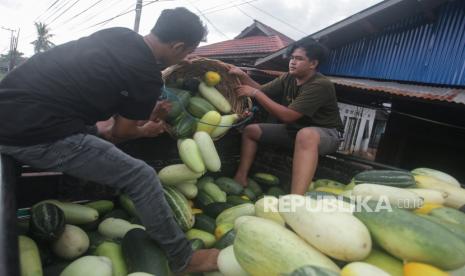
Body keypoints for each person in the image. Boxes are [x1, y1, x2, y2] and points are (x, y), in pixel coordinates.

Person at [0, 7, 219, 274]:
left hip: (13, 112)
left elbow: (104, 98)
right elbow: (122, 133)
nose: (186, 58)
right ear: (178, 45)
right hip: (32, 133)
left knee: (98, 136)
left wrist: (125, 124)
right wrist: (145, 131)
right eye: (186, 52)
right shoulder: (146, 74)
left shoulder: (119, 36)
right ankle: (183, 259)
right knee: (141, 176)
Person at [229, 40, 344, 195]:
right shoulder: (288, 78)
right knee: (250, 130)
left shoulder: (320, 85)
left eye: (299, 58)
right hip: (295, 131)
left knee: (306, 135)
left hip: (326, 135)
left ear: (313, 63)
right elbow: (262, 90)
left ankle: (296, 200)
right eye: (292, 58)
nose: (292, 62)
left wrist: (255, 94)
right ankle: (240, 177)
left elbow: (288, 116)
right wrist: (243, 76)